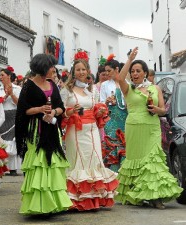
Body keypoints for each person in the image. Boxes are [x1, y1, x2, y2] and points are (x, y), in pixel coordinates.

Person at [115, 47, 182, 209]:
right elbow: (119, 78)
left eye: (138, 71)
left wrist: (156, 110)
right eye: (133, 71)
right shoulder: (128, 88)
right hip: (134, 128)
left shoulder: (155, 88)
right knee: (136, 161)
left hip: (151, 127)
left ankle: (155, 197)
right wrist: (130, 59)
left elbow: (163, 110)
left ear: (145, 73)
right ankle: (137, 194)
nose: (135, 74)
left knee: (153, 161)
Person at [15, 53, 72, 215]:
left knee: (53, 164)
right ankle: (39, 206)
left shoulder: (52, 85)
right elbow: (23, 110)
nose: (53, 69)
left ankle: (54, 203)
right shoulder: (29, 86)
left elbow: (61, 107)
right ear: (42, 68)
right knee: (39, 163)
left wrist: (54, 111)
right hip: (36, 130)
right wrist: (40, 109)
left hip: (52, 130)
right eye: (50, 67)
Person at [60, 54, 118, 211]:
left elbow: (98, 107)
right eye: (77, 69)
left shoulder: (93, 91)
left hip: (92, 129)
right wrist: (70, 112)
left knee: (94, 158)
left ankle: (94, 198)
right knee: (78, 160)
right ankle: (77, 199)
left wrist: (100, 111)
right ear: (73, 71)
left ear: (87, 71)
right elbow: (61, 111)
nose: (80, 72)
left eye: (83, 69)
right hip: (75, 130)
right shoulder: (66, 90)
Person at [100, 54, 128, 172]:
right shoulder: (104, 85)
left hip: (125, 118)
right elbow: (100, 104)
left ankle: (125, 174)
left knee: (126, 146)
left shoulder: (125, 83)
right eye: (105, 71)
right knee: (112, 146)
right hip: (111, 119)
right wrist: (106, 102)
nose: (106, 74)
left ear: (117, 69)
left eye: (109, 71)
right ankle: (113, 175)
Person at [0, 66, 21, 176]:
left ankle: (13, 168)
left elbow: (20, 103)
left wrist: (12, 94)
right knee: (3, 140)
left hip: (14, 115)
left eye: (2, 75)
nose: (0, 77)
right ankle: (4, 165)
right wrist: (6, 95)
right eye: (0, 75)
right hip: (2, 116)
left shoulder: (18, 89)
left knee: (13, 140)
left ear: (9, 76)